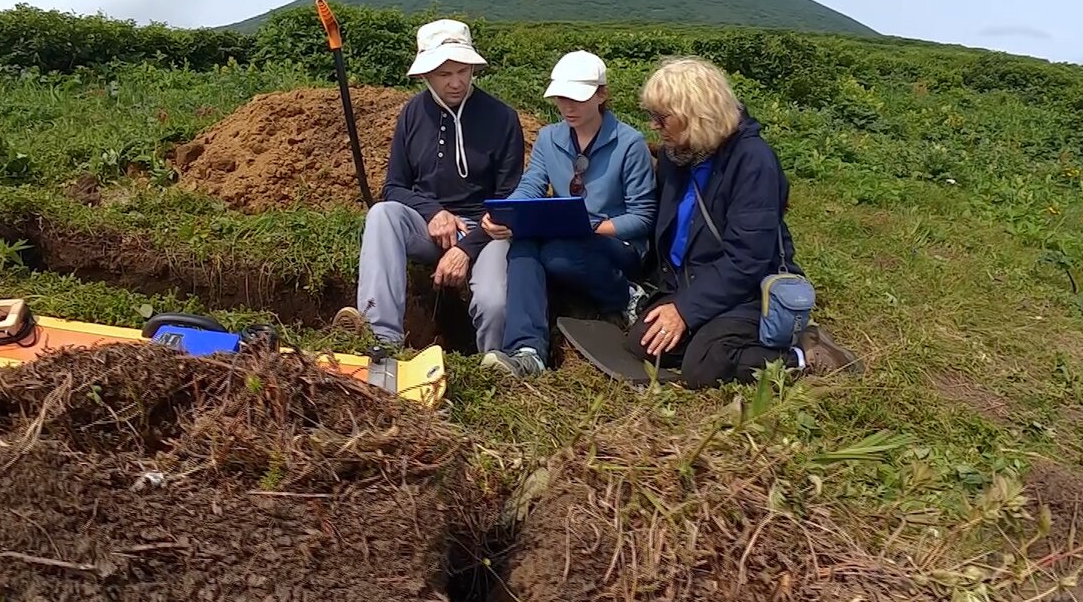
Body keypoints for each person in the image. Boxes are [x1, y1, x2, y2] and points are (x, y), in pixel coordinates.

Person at [627, 56, 860, 387]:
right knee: (644, 341)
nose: (654, 125)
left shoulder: (753, 162)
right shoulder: (676, 156)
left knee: (704, 367)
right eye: (652, 116)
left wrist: (685, 311)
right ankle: (714, 338)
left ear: (695, 115)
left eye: (662, 117)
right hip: (693, 282)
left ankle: (805, 355)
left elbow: (748, 259)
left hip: (746, 292)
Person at [335, 19, 524, 353]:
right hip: (426, 227)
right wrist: (434, 212)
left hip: (487, 229)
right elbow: (394, 187)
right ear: (425, 76)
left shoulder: (502, 118)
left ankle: (494, 366)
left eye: (462, 71)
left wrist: (465, 249)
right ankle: (381, 340)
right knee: (383, 215)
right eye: (444, 74)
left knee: (494, 302)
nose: (456, 83)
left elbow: (509, 200)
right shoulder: (412, 114)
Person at [478, 50, 657, 377]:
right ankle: (527, 350)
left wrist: (591, 228)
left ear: (601, 95)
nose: (567, 107)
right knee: (524, 245)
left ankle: (627, 293)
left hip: (617, 244)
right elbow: (532, 184)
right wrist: (509, 213)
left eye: (577, 98)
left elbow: (642, 217)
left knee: (558, 253)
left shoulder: (629, 143)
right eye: (561, 98)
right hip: (566, 237)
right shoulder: (550, 138)